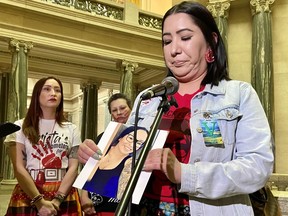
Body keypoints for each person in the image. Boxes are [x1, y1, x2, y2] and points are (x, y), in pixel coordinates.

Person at [78, 1, 274, 215]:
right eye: (167, 41)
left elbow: (257, 167)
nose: (173, 50)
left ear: (211, 42)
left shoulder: (238, 95)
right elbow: (126, 159)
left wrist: (183, 173)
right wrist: (98, 157)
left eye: (186, 38)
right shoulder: (148, 99)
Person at [4, 76, 82, 216]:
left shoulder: (72, 129)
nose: (53, 93)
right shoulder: (19, 127)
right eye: (47, 89)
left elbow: (73, 167)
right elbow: (19, 168)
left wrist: (58, 200)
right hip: (29, 192)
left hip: (63, 193)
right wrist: (39, 201)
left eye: (57, 90)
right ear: (37, 95)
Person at [80, 93, 133, 215]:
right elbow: (90, 168)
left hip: (128, 203)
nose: (119, 112)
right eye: (114, 110)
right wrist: (84, 195)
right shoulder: (103, 138)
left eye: (123, 108)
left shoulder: (142, 137)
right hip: (101, 203)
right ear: (111, 114)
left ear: (131, 109)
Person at [83, 126, 148, 198]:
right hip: (84, 201)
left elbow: (123, 195)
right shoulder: (103, 146)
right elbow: (85, 173)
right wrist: (84, 197)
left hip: (111, 206)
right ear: (121, 137)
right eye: (131, 138)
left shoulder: (130, 163)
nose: (132, 144)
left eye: (139, 143)